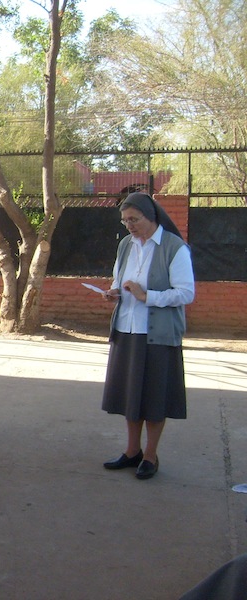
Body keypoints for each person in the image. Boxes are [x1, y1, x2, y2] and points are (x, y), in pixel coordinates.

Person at [101, 192, 194, 480]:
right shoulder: (125, 245)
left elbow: (186, 293)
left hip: (158, 336)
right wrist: (114, 291)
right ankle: (132, 451)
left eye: (134, 219)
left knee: (154, 397)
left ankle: (150, 456)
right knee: (131, 396)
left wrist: (147, 296)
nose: (129, 225)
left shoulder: (174, 247)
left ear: (151, 216)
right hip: (127, 330)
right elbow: (120, 279)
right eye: (125, 221)